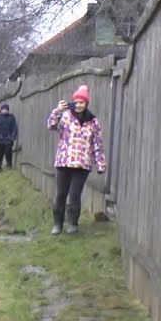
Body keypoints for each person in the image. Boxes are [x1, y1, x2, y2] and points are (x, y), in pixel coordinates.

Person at [47, 86, 106, 235]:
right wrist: (57, 110)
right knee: (61, 194)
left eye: (82, 102)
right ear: (73, 102)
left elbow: (97, 143)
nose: (79, 105)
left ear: (86, 103)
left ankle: (73, 223)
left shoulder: (93, 122)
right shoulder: (65, 116)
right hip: (64, 162)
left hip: (82, 164)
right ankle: (57, 224)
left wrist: (100, 163)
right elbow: (51, 125)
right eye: (77, 102)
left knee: (74, 195)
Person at [0, 102, 19, 172]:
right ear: (1, 110)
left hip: (8, 138)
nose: (4, 111)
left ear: (8, 110)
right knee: (0, 153)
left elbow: (14, 127)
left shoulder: (11, 117)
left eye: (6, 109)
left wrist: (13, 136)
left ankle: (9, 165)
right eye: (3, 109)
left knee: (8, 152)